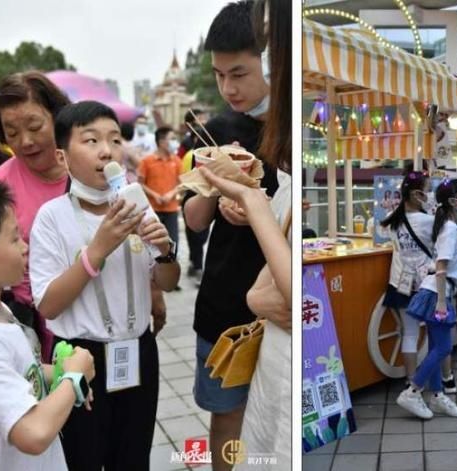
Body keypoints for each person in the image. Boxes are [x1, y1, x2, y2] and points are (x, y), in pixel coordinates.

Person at [29, 101, 180, 470]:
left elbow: (169, 281)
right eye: (91, 140)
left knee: (133, 456)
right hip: (81, 357)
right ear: (64, 158)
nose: (106, 151)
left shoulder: (136, 204)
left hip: (138, 349)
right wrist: (98, 248)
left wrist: (164, 251)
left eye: (114, 139)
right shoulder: (52, 217)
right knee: (85, 456)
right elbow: (48, 305)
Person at [183, 2, 278, 470]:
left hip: (280, 307)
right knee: (229, 416)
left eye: (238, 72)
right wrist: (217, 190)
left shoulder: (288, 126)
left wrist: (260, 209)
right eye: (220, 75)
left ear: (270, 57)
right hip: (226, 304)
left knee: (275, 417)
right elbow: (194, 218)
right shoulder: (214, 131)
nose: (228, 88)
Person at [0, 177, 95, 470]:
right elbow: (33, 433)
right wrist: (73, 379)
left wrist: (57, 371)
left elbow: (17, 368)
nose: (25, 246)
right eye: (15, 238)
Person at [0, 71, 72, 362]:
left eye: (34, 126)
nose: (25, 142)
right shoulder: (0, 184)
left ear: (56, 117)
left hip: (97, 320)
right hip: (35, 330)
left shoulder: (89, 168)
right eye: (11, 133)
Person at [395, 179, 457, 419]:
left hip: (437, 291)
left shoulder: (445, 226)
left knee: (438, 346)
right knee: (444, 347)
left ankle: (437, 396)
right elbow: (441, 267)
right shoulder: (450, 228)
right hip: (436, 293)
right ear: (453, 200)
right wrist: (441, 303)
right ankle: (413, 390)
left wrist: (456, 298)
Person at [380, 172, 457, 394]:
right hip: (428, 284)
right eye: (427, 189)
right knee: (439, 334)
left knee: (409, 334)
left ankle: (411, 381)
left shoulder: (392, 218)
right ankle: (447, 379)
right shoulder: (430, 222)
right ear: (416, 194)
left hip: (400, 282)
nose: (429, 194)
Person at [138, 126, 183, 257]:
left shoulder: (177, 161)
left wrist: (171, 194)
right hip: (151, 210)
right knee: (151, 242)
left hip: (171, 209)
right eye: (172, 138)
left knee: (173, 242)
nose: (175, 142)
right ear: (162, 142)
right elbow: (140, 183)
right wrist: (155, 195)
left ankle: (171, 267)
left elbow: (182, 183)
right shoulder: (147, 161)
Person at [178, 110, 210, 285]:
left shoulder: (209, 149)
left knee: (201, 234)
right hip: (190, 192)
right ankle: (197, 266)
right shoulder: (187, 149)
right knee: (194, 233)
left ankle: (194, 263)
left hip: (204, 193)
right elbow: (179, 167)